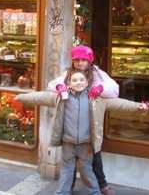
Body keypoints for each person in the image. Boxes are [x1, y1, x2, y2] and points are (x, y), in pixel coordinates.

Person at [16, 69, 149, 195]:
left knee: (87, 170)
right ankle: (62, 192)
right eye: (74, 80)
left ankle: (95, 192)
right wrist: (21, 97)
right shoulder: (61, 98)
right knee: (67, 170)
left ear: (87, 83)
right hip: (68, 142)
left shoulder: (97, 99)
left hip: (85, 144)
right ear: (68, 83)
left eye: (81, 80)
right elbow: (41, 97)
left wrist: (138, 106)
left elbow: (118, 104)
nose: (78, 82)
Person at [47, 45, 119, 195]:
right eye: (77, 60)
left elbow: (113, 88)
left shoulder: (97, 73)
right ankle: (69, 185)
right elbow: (52, 85)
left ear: (89, 61)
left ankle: (102, 184)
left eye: (83, 60)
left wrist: (99, 89)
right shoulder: (67, 74)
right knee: (69, 161)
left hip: (90, 124)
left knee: (95, 156)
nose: (80, 63)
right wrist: (60, 86)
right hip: (71, 122)